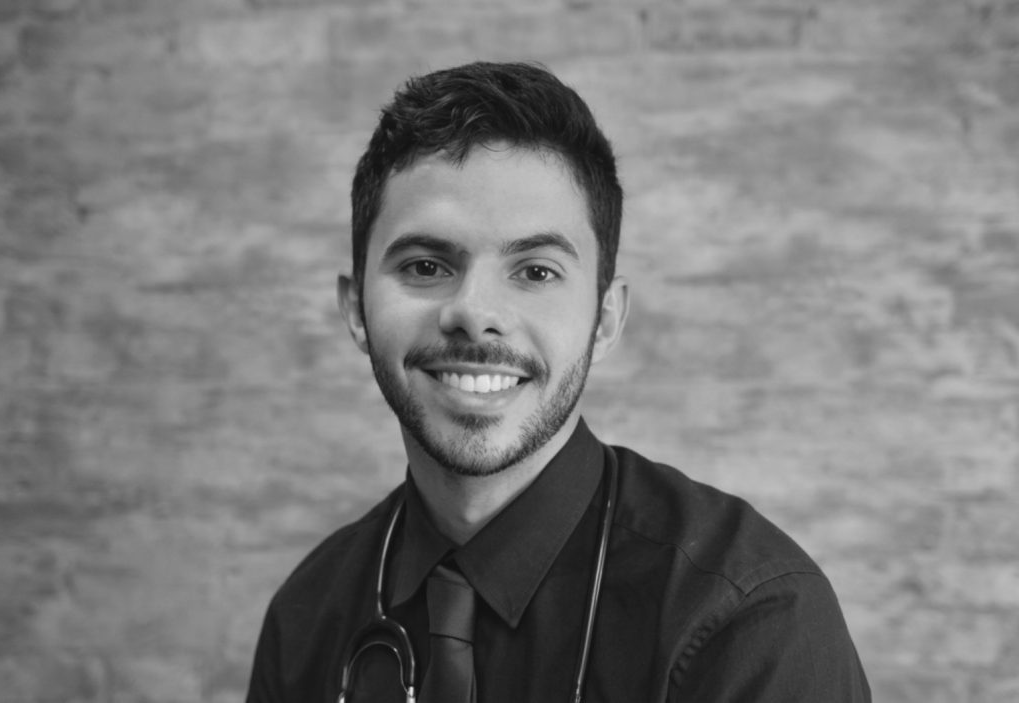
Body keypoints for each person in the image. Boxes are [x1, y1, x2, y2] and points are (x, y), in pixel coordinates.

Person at [246, 61, 871, 703]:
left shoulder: (750, 619)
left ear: (605, 318)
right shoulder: (306, 616)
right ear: (356, 309)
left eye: (536, 272)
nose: (475, 313)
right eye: (426, 266)